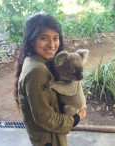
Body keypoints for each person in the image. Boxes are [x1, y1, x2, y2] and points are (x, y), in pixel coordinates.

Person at [14, 12, 86, 146]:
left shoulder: (39, 61)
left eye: (56, 38)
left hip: (48, 137)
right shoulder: (37, 71)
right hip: (49, 140)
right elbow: (44, 118)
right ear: (31, 40)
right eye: (44, 38)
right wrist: (76, 118)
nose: (52, 44)